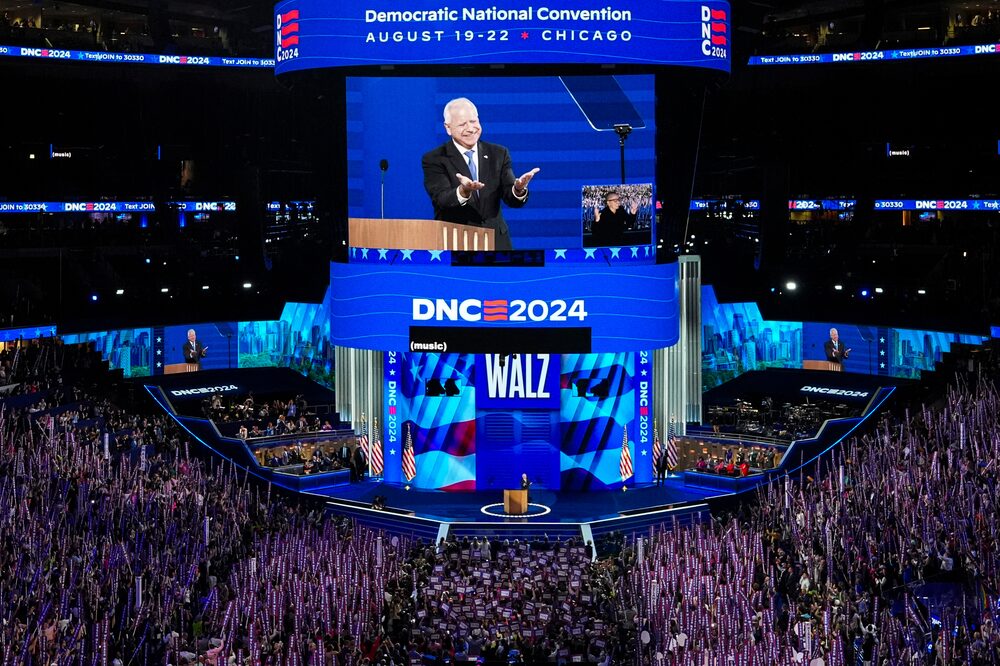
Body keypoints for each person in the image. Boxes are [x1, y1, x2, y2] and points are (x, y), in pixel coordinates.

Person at [422, 97, 540, 251]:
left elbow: (512, 200)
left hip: (497, 243)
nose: (471, 128)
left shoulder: (498, 153)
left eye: (473, 121)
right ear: (448, 128)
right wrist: (463, 191)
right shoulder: (435, 159)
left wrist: (517, 189)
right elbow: (441, 199)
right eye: (463, 124)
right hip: (456, 244)